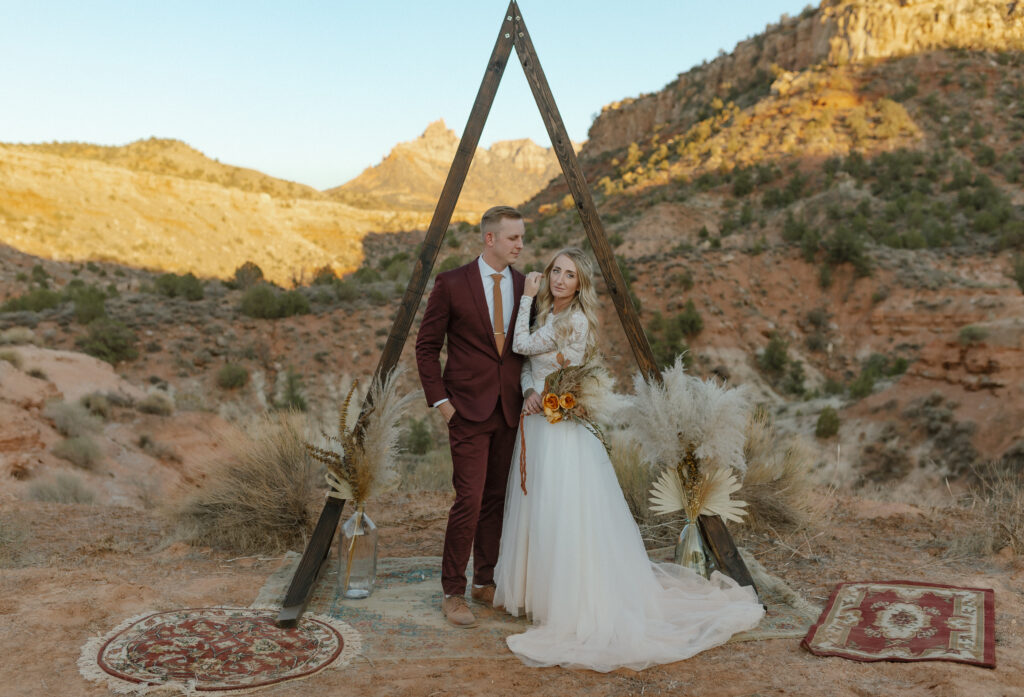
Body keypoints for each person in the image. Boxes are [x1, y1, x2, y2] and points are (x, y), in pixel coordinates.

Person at [493, 247, 764, 671]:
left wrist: (525, 295)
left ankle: (575, 601)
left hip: (562, 431)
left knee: (566, 511)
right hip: (538, 420)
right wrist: (529, 391)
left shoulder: (574, 321)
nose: (559, 280)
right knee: (539, 508)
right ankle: (540, 595)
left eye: (569, 275)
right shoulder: (548, 314)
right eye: (555, 272)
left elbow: (521, 343)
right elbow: (529, 364)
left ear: (580, 284)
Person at [415, 205, 538, 628]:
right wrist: (442, 404)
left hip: (510, 409)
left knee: (496, 500)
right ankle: (453, 590)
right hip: (465, 411)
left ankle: (485, 582)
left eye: (521, 237)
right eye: (513, 238)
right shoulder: (451, 284)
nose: (520, 244)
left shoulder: (526, 286)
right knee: (468, 499)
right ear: (490, 239)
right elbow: (426, 347)